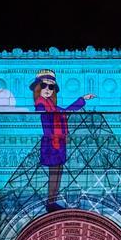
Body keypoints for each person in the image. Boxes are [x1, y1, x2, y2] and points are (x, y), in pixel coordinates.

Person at [30, 69, 95, 212]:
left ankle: (52, 200)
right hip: (51, 142)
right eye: (44, 86)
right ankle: (50, 202)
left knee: (58, 172)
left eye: (51, 86)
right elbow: (42, 118)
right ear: (37, 88)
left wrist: (83, 99)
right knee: (54, 173)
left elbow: (66, 111)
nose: (47, 89)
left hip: (58, 142)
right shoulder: (41, 104)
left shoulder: (52, 106)